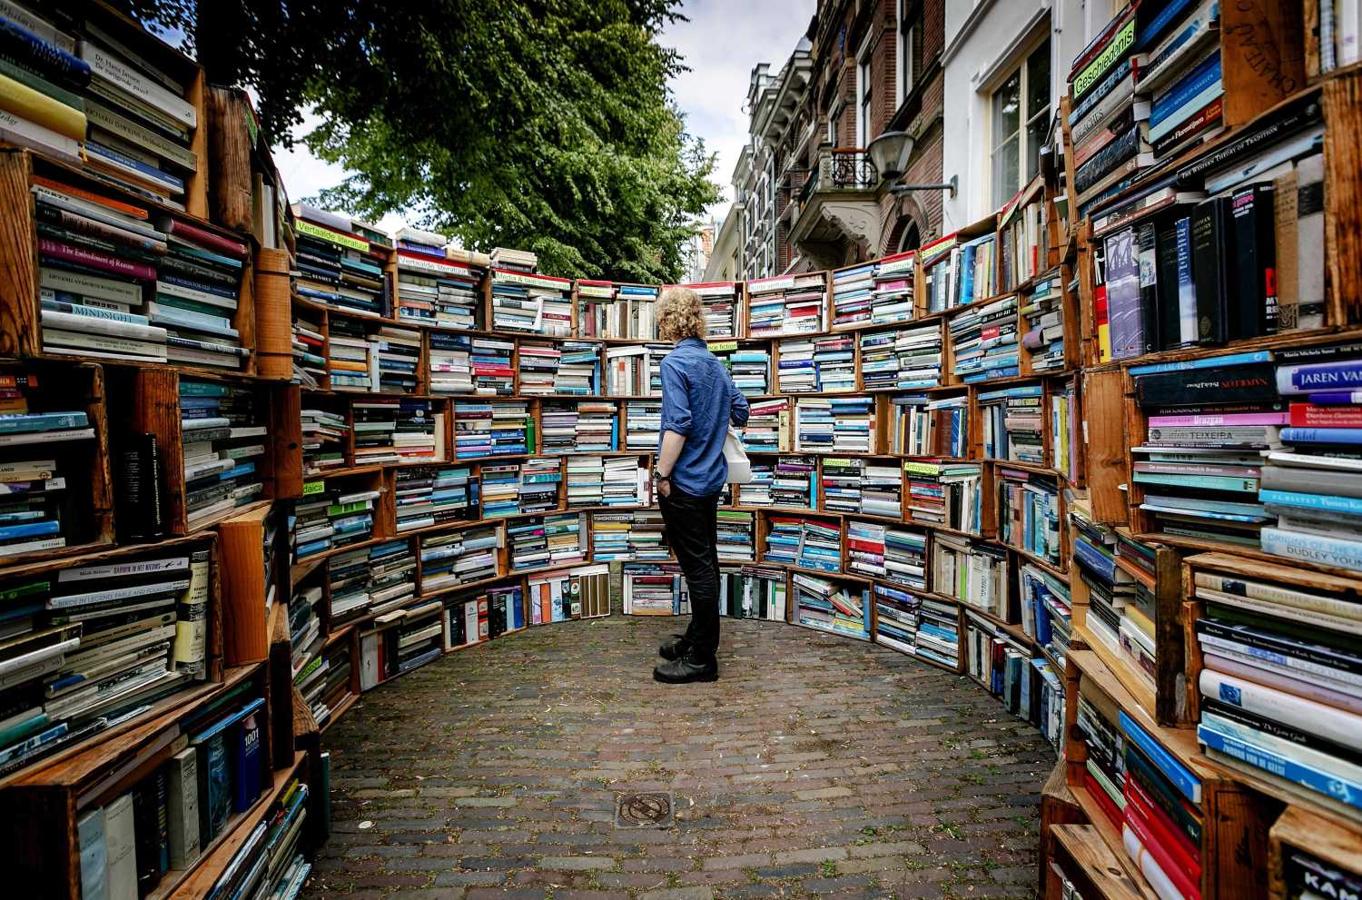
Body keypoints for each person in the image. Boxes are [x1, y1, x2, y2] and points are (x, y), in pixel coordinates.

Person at [651, 286, 749, 684]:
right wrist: (715, 421)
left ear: (667, 322)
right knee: (706, 560)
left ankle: (703, 659)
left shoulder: (675, 364)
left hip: (685, 484)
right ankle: (696, 638)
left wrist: (660, 475)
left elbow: (678, 426)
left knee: (698, 569)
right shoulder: (714, 365)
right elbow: (741, 411)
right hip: (710, 482)